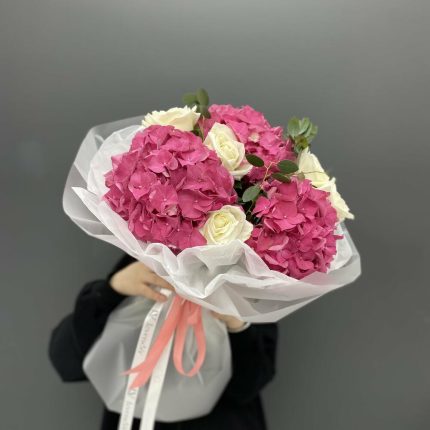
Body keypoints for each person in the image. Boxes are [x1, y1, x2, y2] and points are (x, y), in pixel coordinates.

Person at [49, 254, 278, 430]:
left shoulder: (245, 278)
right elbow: (66, 361)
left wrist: (238, 325)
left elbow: (249, 385)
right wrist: (111, 290)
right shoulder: (147, 260)